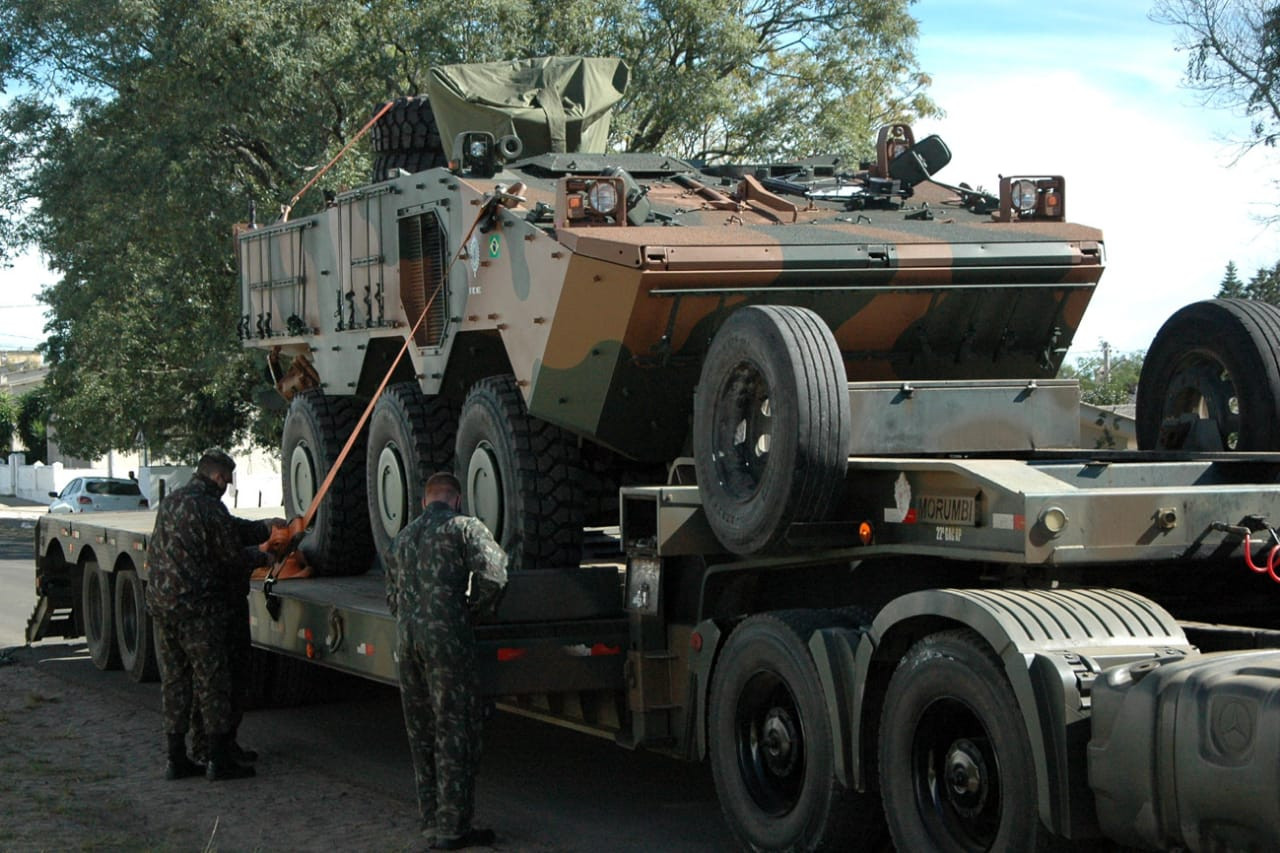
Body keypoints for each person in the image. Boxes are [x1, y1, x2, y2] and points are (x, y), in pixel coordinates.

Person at [385, 472, 508, 850]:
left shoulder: (402, 538)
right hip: (447, 638)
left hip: (407, 639)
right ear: (456, 499)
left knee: (420, 730)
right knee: (454, 727)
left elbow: (391, 595)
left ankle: (431, 820)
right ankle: (454, 827)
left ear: (425, 502)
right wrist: (470, 613)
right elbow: (494, 576)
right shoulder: (464, 527)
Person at [145, 448, 280, 782]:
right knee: (213, 682)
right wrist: (266, 556)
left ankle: (176, 758)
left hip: (164, 606)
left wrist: (264, 528)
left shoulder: (174, 501)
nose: (227, 486)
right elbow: (231, 557)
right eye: (227, 480)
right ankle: (218, 758)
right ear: (219, 477)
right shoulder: (209, 507)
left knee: (176, 682)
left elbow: (227, 528)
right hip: (199, 609)